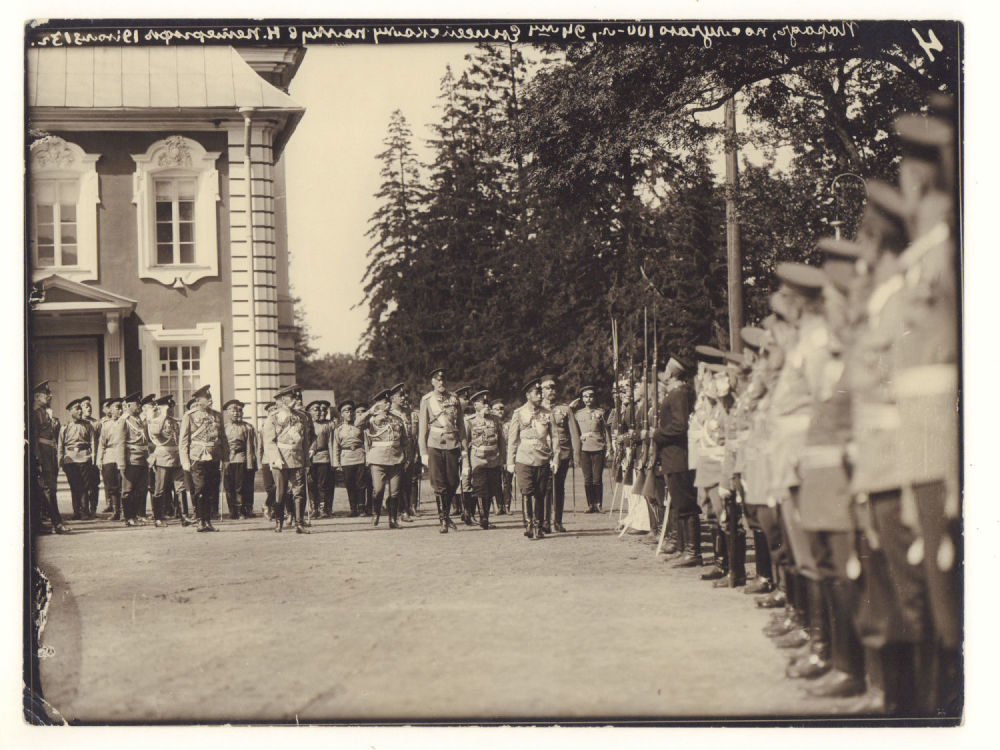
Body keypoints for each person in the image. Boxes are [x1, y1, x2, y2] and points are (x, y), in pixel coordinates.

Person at [651, 355, 699, 566]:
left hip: (679, 456)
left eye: (666, 370)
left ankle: (692, 551)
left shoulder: (679, 394)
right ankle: (682, 548)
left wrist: (657, 434)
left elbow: (680, 426)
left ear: (671, 373)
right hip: (673, 456)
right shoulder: (678, 393)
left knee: (686, 505)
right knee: (679, 504)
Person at [418, 368, 468, 533]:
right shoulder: (427, 400)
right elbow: (422, 429)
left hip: (453, 444)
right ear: (432, 382)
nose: (441, 382)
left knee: (453, 482)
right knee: (439, 483)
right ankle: (443, 520)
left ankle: (446, 516)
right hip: (435, 444)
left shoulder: (454, 399)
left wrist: (464, 448)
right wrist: (423, 452)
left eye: (443, 379)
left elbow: (460, 425)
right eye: (437, 380)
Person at [507, 377, 556, 540]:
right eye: (537, 393)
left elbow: (554, 436)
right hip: (524, 458)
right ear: (528, 395)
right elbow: (513, 440)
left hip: (542, 457)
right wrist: (510, 462)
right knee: (527, 491)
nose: (540, 396)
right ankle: (529, 524)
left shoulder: (548, 413)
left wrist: (555, 459)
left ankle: (539, 525)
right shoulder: (519, 413)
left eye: (541, 392)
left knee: (541, 493)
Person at [262, 384, 313, 533]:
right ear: (283, 400)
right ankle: (279, 522)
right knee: (281, 491)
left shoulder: (302, 417)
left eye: (296, 397)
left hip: (297, 458)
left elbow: (304, 442)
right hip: (281, 459)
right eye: (292, 397)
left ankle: (299, 523)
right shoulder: (273, 418)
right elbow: (269, 441)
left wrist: (307, 462)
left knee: (299, 491)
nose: (296, 400)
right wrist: (276, 458)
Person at [179, 385, 228, 533]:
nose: (211, 400)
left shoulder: (217, 415)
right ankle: (200, 520)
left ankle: (208, 521)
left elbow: (223, 438)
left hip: (213, 457)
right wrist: (185, 461)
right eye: (207, 398)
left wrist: (226, 458)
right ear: (199, 401)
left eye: (210, 397)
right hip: (197, 457)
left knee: (212, 490)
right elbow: (183, 441)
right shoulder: (189, 416)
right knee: (200, 489)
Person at [357, 387, 410, 528]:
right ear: (378, 404)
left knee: (395, 491)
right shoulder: (372, 419)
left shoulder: (397, 418)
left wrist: (406, 456)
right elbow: (357, 424)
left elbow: (404, 440)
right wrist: (370, 411)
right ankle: (376, 514)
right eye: (384, 402)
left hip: (396, 458)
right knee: (379, 489)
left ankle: (393, 519)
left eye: (388, 401)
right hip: (378, 459)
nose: (388, 404)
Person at [540, 373, 581, 533]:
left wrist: (576, 455)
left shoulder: (564, 409)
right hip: (543, 454)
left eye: (553, 387)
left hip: (562, 453)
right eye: (547, 387)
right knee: (544, 488)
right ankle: (544, 521)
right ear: (541, 390)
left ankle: (557, 521)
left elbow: (574, 433)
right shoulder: (538, 409)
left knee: (558, 487)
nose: (551, 390)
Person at [465, 388, 505, 530]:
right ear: (476, 405)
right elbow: (465, 443)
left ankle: (482, 515)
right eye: (483, 402)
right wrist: (465, 463)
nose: (487, 405)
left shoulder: (495, 420)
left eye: (488, 402)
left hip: (493, 460)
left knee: (491, 488)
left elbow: (501, 441)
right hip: (478, 460)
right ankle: (483, 518)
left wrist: (503, 460)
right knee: (480, 488)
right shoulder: (470, 421)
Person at [148, 395, 189, 527]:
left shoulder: (175, 422)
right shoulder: (155, 421)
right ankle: (158, 518)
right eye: (167, 407)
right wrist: (163, 416)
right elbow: (155, 434)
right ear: (160, 408)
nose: (170, 410)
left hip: (176, 457)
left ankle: (185, 516)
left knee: (180, 487)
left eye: (171, 408)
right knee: (160, 489)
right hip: (163, 457)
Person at [58, 398, 98, 521]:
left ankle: (85, 512)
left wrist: (94, 458)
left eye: (80, 408)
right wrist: (60, 460)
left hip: (84, 458)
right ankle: (76, 511)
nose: (80, 411)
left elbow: (93, 442)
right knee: (74, 486)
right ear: (70, 411)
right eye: (77, 409)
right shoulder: (65, 427)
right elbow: (60, 444)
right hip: (70, 460)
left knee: (85, 486)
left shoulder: (88, 425)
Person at [116, 391, 151, 527]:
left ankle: (136, 516)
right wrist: (122, 463)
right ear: (129, 405)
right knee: (128, 490)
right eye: (137, 403)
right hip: (131, 460)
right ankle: (128, 517)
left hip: (142, 459)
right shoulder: (124, 421)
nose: (139, 406)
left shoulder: (140, 420)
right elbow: (120, 443)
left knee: (140, 489)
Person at [575, 385, 612, 513]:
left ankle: (599, 504)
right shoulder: (577, 414)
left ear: (594, 398)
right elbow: (574, 432)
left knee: (597, 478)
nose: (588, 399)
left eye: (590, 396)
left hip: (598, 447)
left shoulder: (600, 413)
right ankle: (590, 504)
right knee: (587, 478)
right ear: (582, 399)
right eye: (585, 396)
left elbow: (606, 431)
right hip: (584, 448)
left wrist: (609, 447)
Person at [223, 399, 258, 520]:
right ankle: (232, 511)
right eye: (233, 410)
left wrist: (250, 463)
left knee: (241, 486)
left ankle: (242, 510)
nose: (237, 413)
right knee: (229, 486)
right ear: (227, 412)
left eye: (239, 410)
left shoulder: (247, 427)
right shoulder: (224, 428)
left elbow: (251, 446)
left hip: (241, 459)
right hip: (227, 460)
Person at [333, 400, 366, 517]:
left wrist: (368, 458)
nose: (349, 413)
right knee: (350, 484)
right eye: (346, 411)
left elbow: (366, 441)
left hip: (360, 456)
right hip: (346, 458)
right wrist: (337, 464)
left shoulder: (360, 426)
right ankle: (353, 508)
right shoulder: (339, 429)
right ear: (342, 414)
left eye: (351, 410)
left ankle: (362, 507)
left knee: (361, 483)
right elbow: (336, 446)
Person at [306, 400, 334, 519]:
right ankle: (314, 508)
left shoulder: (327, 425)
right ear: (309, 412)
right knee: (311, 484)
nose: (318, 412)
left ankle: (323, 509)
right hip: (309, 458)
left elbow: (331, 443)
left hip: (323, 457)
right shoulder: (306, 425)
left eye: (319, 410)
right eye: (315, 410)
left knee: (322, 484)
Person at [96, 397, 124, 519]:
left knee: (123, 485)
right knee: (112, 486)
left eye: (121, 408)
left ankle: (124, 512)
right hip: (109, 457)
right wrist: (99, 460)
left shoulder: (125, 422)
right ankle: (116, 511)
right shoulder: (105, 425)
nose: (120, 411)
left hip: (122, 456)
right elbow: (101, 444)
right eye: (117, 408)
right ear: (111, 410)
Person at [79, 395, 102, 517]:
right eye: (86, 406)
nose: (89, 408)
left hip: (94, 457)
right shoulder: (78, 423)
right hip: (82, 458)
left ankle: (93, 509)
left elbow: (100, 441)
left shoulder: (96, 423)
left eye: (90, 405)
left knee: (94, 484)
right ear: (80, 408)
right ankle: (83, 509)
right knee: (83, 484)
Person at [492, 399, 512, 515]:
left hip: (507, 456)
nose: (500, 411)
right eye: (497, 408)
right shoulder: (491, 423)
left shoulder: (509, 424)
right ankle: (499, 505)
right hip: (494, 456)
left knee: (507, 482)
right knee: (496, 481)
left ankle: (507, 505)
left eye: (501, 408)